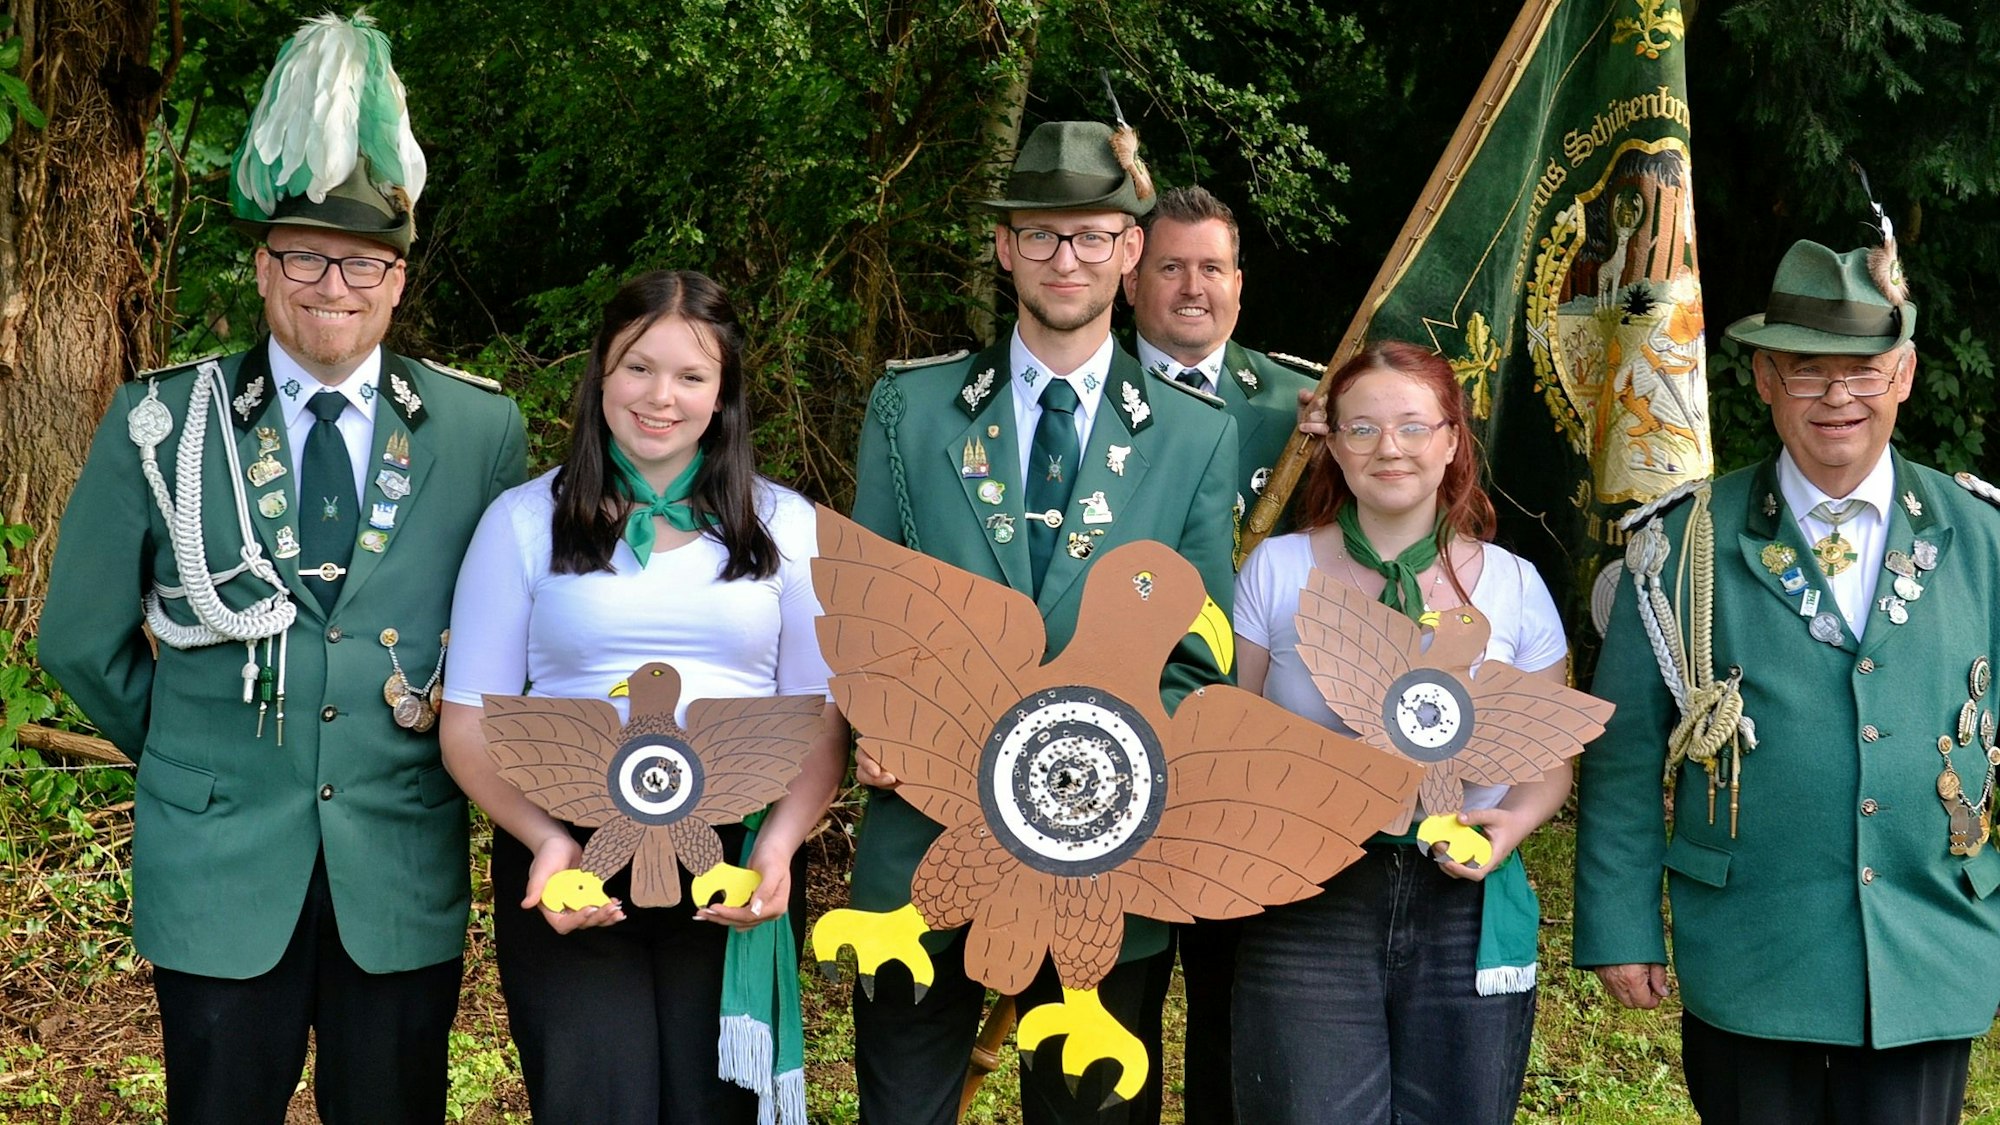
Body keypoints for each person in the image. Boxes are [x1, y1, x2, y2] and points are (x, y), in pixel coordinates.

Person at [38, 15, 528, 1123]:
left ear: (397, 279)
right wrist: (194, 745)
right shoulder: (165, 420)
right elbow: (77, 637)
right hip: (218, 859)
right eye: (303, 255)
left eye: (362, 261)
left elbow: (507, 638)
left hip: (396, 867)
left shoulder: (477, 431)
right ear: (263, 268)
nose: (331, 284)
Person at [845, 119, 1239, 1124]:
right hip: (925, 837)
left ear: (1129, 250)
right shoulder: (911, 410)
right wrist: (873, 720)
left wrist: (1104, 773)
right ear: (1004, 246)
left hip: (1099, 856)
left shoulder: (1191, 435)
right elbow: (864, 610)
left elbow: (1199, 651)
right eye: (1041, 234)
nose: (1067, 258)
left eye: (1093, 235)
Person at [1576, 237, 2000, 1125]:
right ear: (1765, 378)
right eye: (1808, 371)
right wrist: (1620, 924)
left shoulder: (1982, 536)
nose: (1838, 397)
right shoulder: (1681, 542)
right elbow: (1622, 756)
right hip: (1752, 952)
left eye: (1864, 370)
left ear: (1905, 374)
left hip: (1928, 946)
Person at [438, 269, 847, 1123]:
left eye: (692, 375)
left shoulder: (788, 525)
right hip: (572, 858)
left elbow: (817, 719)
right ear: (601, 372)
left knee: (714, 1106)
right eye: (638, 367)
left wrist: (778, 849)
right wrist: (546, 840)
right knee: (596, 1101)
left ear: (723, 394)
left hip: (734, 861)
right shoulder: (521, 522)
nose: (661, 397)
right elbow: (469, 722)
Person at [1230, 340, 1572, 1124]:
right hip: (1310, 897)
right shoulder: (1275, 570)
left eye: (1414, 426)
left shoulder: (1516, 585)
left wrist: (1514, 824)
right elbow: (1237, 738)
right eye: (1363, 428)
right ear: (1332, 441)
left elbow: (1549, 759)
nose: (1390, 448)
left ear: (1452, 441)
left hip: (1461, 899)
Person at [1120, 183, 1318, 1125]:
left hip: (1247, 748)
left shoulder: (1300, 406)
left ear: (1240, 284)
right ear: (1132, 280)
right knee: (1110, 1000)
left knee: (1236, 1006)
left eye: (1212, 267)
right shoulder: (1084, 393)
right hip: (1121, 726)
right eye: (1171, 267)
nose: (1192, 288)